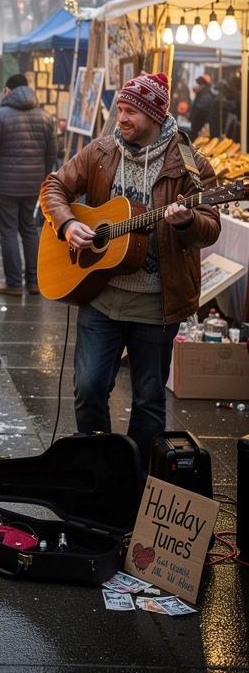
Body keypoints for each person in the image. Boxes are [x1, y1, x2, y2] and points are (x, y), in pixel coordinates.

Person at [40, 72, 221, 468]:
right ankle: (98, 472)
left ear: (155, 114)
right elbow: (54, 186)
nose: (121, 118)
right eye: (120, 109)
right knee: (88, 390)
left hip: (156, 304)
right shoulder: (102, 152)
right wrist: (68, 224)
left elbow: (210, 226)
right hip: (101, 295)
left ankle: (135, 480)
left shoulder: (190, 166)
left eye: (131, 111)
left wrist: (185, 222)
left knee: (149, 400)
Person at [0, 73, 55, 296]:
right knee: (29, 229)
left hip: (4, 186)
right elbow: (52, 154)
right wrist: (44, 178)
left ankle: (13, 283)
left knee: (8, 231)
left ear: (8, 91)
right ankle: (34, 281)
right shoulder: (45, 117)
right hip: (32, 185)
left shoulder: (0, 116)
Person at [189, 74, 218, 141]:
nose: (197, 86)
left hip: (200, 127)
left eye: (199, 84)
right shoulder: (202, 93)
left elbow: (199, 110)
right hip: (197, 125)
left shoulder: (206, 95)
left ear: (203, 85)